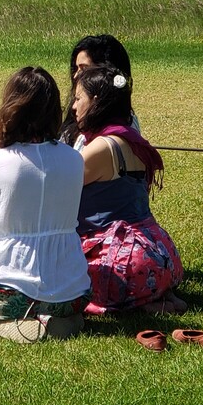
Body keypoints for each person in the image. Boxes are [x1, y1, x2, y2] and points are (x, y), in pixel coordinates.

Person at [0, 67, 91, 343]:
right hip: (73, 291)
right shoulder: (75, 159)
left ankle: (3, 323)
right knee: (62, 305)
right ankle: (61, 320)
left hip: (12, 287)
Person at [73, 65, 185, 314]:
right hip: (161, 255)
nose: (73, 106)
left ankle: (143, 303)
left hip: (127, 261)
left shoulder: (101, 148)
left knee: (62, 279)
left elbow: (57, 192)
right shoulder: (133, 142)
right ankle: (158, 297)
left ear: (96, 101)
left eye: (78, 98)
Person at [61, 34, 139, 149]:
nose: (76, 75)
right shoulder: (81, 113)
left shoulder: (121, 126)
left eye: (84, 69)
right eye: (76, 68)